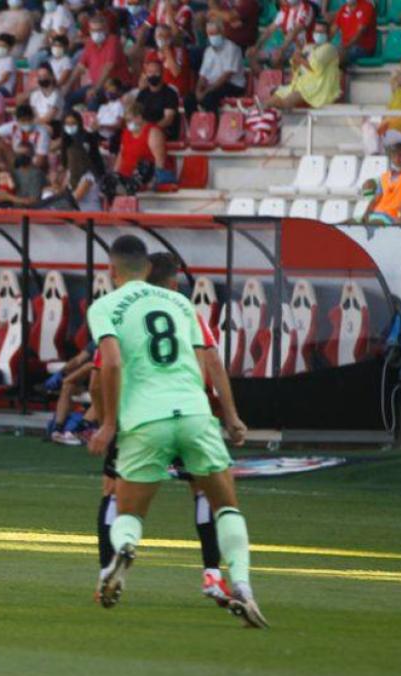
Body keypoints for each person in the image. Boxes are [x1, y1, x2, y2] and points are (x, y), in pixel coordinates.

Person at [86, 235, 266, 628]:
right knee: (226, 506)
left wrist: (109, 424)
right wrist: (231, 417)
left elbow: (110, 364)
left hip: (146, 420)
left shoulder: (105, 306)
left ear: (111, 270)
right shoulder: (182, 304)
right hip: (195, 414)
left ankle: (125, 550)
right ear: (149, 270)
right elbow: (209, 363)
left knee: (128, 510)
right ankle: (242, 585)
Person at [268, 20, 341, 110]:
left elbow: (315, 66)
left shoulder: (329, 48)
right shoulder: (309, 47)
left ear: (328, 34)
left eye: (321, 32)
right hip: (303, 84)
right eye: (316, 31)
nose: (318, 34)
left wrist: (300, 59)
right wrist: (297, 52)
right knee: (273, 99)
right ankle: (254, 111)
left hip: (317, 88)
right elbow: (296, 67)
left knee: (285, 102)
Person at [191, 19, 247, 113]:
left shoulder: (232, 48)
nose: (212, 37)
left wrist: (205, 92)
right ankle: (195, 125)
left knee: (210, 98)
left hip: (233, 85)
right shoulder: (208, 51)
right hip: (213, 85)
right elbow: (202, 76)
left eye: (214, 33)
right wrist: (198, 91)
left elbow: (226, 76)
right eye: (209, 34)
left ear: (222, 33)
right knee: (189, 99)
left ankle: (214, 124)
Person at [330, 0, 377, 65]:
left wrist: (346, 46)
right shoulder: (343, 9)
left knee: (337, 56)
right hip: (346, 47)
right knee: (327, 54)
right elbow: (333, 29)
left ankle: (339, 73)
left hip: (363, 48)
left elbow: (360, 32)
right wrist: (325, 44)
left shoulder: (367, 6)